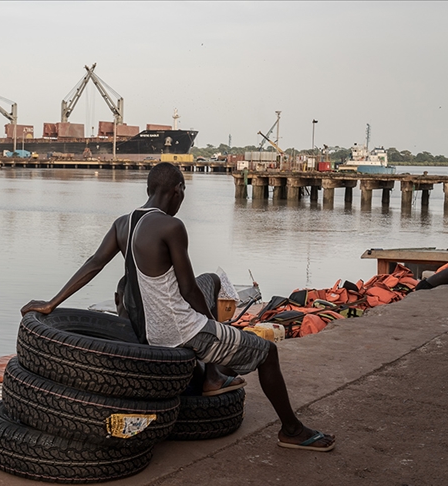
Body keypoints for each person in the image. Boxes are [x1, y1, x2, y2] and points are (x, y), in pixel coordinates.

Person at [21, 162, 335, 451]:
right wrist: (218, 326)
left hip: (149, 331)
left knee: (209, 279)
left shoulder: (122, 224)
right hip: (182, 331)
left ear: (148, 189)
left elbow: (93, 264)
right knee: (267, 353)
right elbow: (187, 291)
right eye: (182, 193)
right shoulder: (172, 226)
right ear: (178, 190)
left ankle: (213, 375)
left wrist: (52, 303)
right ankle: (291, 430)